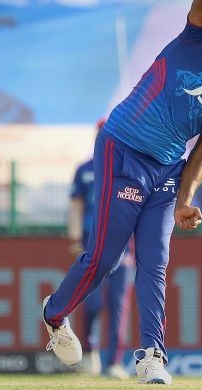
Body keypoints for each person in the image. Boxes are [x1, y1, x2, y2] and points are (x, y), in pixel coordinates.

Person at [41, 0, 202, 385]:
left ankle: (151, 356)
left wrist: (186, 200)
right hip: (123, 148)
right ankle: (55, 315)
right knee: (105, 259)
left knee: (155, 262)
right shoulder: (196, 40)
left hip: (167, 171)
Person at [67, 120, 133, 380]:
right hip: (90, 242)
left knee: (118, 304)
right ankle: (90, 353)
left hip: (122, 245)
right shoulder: (85, 169)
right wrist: (74, 240)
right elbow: (75, 206)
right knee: (91, 301)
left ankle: (115, 361)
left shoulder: (128, 168)